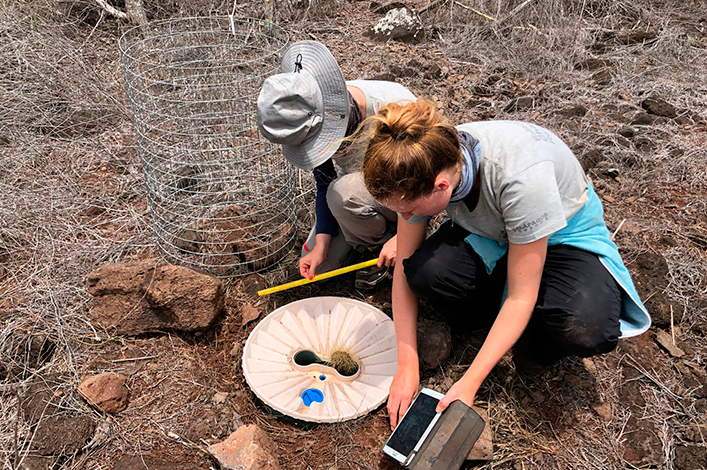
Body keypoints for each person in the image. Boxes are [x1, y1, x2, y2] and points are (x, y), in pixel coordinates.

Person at [355, 99, 651, 429]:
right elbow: (405, 267)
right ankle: (488, 320)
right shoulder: (422, 162)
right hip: (493, 229)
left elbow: (520, 296)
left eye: (408, 211)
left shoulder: (520, 180)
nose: (405, 219)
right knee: (426, 272)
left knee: (584, 328)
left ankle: (531, 349)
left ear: (442, 186)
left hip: (561, 233)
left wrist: (469, 384)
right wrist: (406, 362)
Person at [256, 41, 415, 288]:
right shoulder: (312, 111)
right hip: (364, 193)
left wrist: (403, 240)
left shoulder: (395, 111)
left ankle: (387, 242)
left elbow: (419, 187)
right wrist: (321, 245)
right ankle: (368, 236)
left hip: (407, 196)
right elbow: (324, 181)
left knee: (344, 194)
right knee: (317, 269)